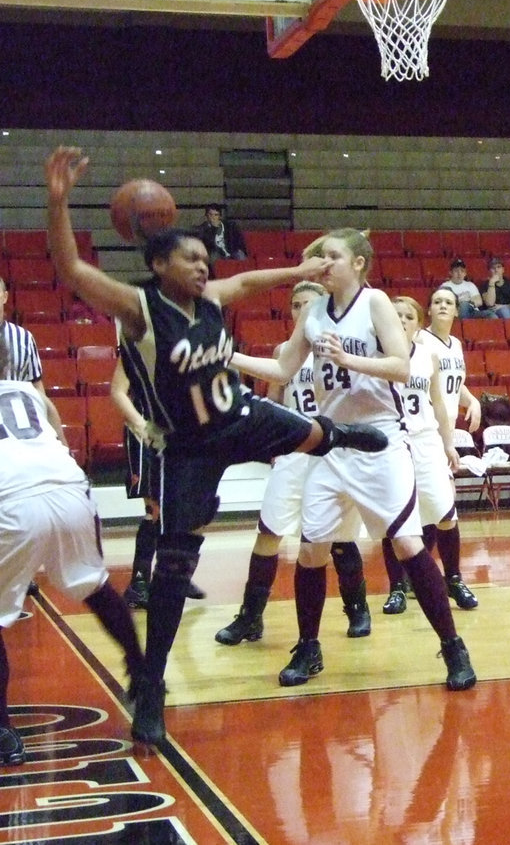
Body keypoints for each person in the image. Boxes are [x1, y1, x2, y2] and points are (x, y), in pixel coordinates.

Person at [45, 146, 390, 748]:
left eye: (207, 258)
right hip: (189, 450)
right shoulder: (139, 309)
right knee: (175, 570)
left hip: (241, 417)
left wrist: (295, 274)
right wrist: (57, 202)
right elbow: (73, 272)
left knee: (306, 432)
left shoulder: (208, 300)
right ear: (159, 264)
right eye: (191, 259)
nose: (204, 267)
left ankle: (340, 435)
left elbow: (249, 280)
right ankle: (150, 686)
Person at [229, 230, 476, 694]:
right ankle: (308, 646)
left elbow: (402, 366)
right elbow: (283, 370)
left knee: (406, 542)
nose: (325, 263)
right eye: (321, 257)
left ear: (358, 264)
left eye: (334, 256)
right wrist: (229, 356)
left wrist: (349, 360)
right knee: (310, 550)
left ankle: (453, 646)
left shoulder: (376, 303)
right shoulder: (315, 312)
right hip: (332, 439)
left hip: (380, 439)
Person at [0, 336, 146, 766]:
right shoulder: (26, 391)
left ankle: (4, 731)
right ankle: (142, 671)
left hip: (12, 497)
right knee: (94, 584)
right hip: (68, 485)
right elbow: (60, 437)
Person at [215, 282, 371, 646]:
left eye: (308, 303)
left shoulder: (341, 346)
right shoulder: (284, 350)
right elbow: (274, 396)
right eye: (295, 304)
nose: (301, 309)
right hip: (292, 450)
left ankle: (357, 607)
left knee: (339, 538)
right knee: (268, 530)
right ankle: (250, 617)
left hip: (332, 449)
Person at [382, 286, 482, 613]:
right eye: (396, 316)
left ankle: (453, 578)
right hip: (392, 441)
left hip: (426, 439)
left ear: (416, 321)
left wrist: (448, 442)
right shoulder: (376, 356)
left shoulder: (429, 355)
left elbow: (438, 402)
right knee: (395, 517)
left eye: (409, 316)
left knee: (444, 511)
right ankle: (397, 586)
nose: (403, 321)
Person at [111, 362, 206, 609]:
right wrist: (141, 427)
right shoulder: (134, 344)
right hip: (144, 428)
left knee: (181, 508)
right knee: (154, 508)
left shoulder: (185, 342)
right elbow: (118, 391)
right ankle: (139, 582)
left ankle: (177, 576)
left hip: (179, 430)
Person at [0, 277, 66, 441]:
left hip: (19, 426)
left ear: (4, 296)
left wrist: (59, 440)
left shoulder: (24, 338)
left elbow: (36, 386)